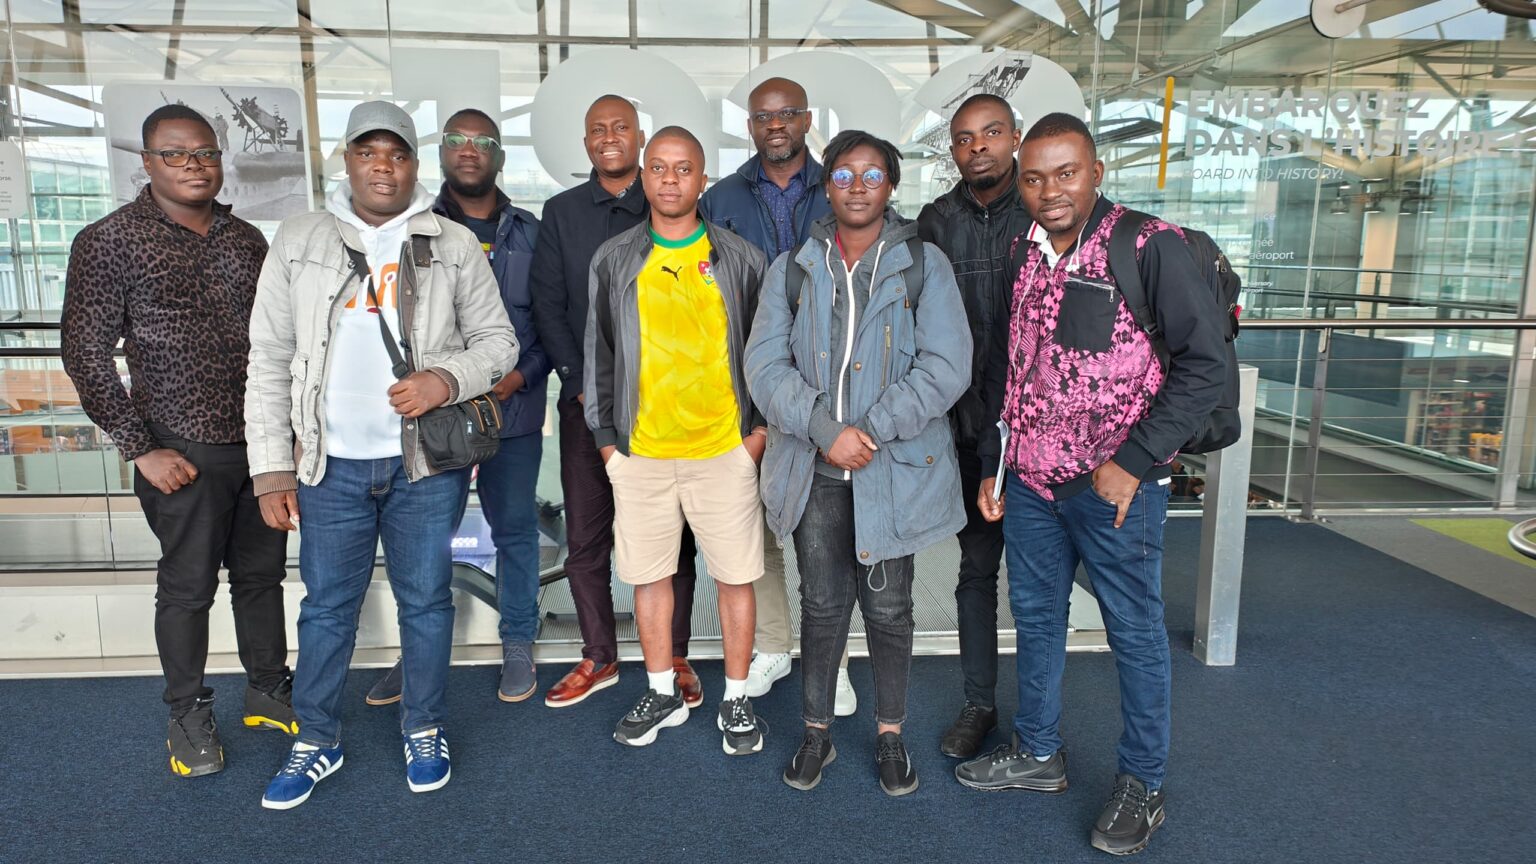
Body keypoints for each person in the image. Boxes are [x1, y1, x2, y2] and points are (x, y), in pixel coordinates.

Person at [961, 113, 1227, 856]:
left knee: (1134, 634)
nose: (1050, 191)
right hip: (1031, 485)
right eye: (1035, 178)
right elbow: (1011, 367)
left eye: (1066, 173)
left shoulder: (1148, 245)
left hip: (1115, 491)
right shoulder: (1024, 249)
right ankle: (1038, 752)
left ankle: (1143, 781)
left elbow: (1205, 366)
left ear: (1097, 173)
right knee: (1038, 621)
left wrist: (1134, 461)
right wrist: (994, 463)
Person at [245, 101, 518, 809]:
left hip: (420, 466)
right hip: (328, 466)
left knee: (425, 603)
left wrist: (443, 380)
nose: (383, 167)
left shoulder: (452, 242)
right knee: (326, 609)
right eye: (368, 153)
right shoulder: (299, 239)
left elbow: (499, 343)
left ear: (413, 165)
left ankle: (423, 726)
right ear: (347, 161)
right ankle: (317, 738)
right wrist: (271, 468)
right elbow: (268, 356)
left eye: (396, 154)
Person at [61, 104, 295, 780]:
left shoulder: (247, 239)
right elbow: (85, 354)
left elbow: (277, 342)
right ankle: (187, 712)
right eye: (175, 153)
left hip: (259, 445)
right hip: (178, 450)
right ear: (147, 162)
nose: (193, 164)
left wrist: (285, 440)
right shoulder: (109, 240)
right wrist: (140, 448)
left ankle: (268, 688)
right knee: (189, 589)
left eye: (205, 152)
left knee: (261, 578)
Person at [746, 130, 971, 796]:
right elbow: (764, 366)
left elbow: (946, 366)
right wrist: (825, 431)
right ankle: (816, 734)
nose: (858, 187)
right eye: (844, 175)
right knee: (821, 607)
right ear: (827, 186)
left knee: (890, 609)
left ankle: (890, 734)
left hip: (890, 471)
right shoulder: (793, 267)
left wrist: (864, 433)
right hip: (814, 471)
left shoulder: (924, 264)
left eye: (872, 175)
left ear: (891, 186)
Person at [587, 127, 768, 752]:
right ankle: (662, 692)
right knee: (649, 578)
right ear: (643, 176)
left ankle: (737, 699)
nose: (670, 179)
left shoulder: (741, 259)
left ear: (702, 178)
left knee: (736, 579)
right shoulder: (614, 259)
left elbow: (765, 354)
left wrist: (755, 438)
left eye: (683, 168)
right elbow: (599, 356)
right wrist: (609, 445)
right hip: (641, 455)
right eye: (659, 168)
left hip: (723, 452)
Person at [363, 107, 548, 706]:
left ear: (500, 156)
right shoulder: (409, 229)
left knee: (514, 530)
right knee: (423, 542)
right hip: (431, 419)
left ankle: (517, 640)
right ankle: (418, 653)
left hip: (511, 412)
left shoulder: (530, 232)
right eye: (456, 140)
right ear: (440, 154)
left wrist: (516, 378)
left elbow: (552, 323)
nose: (469, 149)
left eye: (482, 140)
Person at [530, 95, 704, 709]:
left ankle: (675, 653)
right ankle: (599, 655)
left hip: (665, 410)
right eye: (597, 129)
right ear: (586, 143)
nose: (609, 137)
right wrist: (582, 384)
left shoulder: (671, 206)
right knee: (586, 537)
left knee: (675, 538)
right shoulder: (561, 213)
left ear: (640, 138)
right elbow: (548, 306)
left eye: (621, 127)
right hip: (587, 405)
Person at [699, 77, 856, 715]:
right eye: (764, 116)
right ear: (750, 125)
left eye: (788, 113)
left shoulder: (841, 184)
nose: (776, 124)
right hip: (745, 379)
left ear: (807, 119)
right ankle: (770, 644)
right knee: (752, 522)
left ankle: (832, 658)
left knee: (829, 530)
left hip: (827, 383)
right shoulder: (720, 198)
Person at [915, 93, 1032, 759]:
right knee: (976, 570)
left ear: (1014, 137)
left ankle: (1038, 720)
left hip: (1039, 431)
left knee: (1039, 581)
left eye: (991, 133)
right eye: (964, 138)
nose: (978, 146)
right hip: (966, 428)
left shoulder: (1043, 211)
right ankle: (979, 704)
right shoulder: (936, 221)